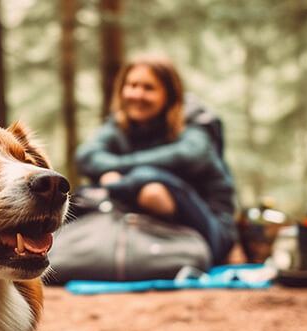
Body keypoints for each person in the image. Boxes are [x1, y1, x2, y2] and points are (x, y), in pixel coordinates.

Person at [75, 53, 237, 265]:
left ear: (169, 94)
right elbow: (86, 157)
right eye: (132, 85)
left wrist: (120, 182)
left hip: (209, 231)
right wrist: (121, 179)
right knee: (130, 181)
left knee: (150, 187)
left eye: (148, 88)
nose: (137, 94)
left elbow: (190, 156)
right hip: (144, 230)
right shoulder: (119, 125)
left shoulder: (196, 121)